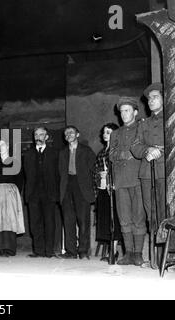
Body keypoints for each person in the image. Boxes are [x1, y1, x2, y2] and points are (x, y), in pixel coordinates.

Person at [131, 83, 165, 265]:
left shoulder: (171, 119)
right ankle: (156, 258)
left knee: (166, 214)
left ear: (164, 98)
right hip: (147, 174)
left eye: (155, 97)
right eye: (149, 98)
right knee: (152, 215)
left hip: (166, 173)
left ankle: (169, 256)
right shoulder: (143, 124)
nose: (151, 101)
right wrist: (147, 151)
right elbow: (135, 146)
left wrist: (160, 150)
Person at [109, 97, 146, 266]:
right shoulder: (115, 133)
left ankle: (138, 254)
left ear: (135, 112)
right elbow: (112, 155)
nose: (124, 114)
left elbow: (142, 151)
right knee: (124, 219)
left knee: (138, 217)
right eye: (122, 111)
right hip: (121, 181)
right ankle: (128, 253)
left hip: (138, 178)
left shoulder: (142, 128)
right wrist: (127, 154)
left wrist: (126, 154)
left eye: (127, 110)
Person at [59, 125, 96, 259]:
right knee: (68, 220)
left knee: (83, 221)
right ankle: (71, 251)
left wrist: (93, 188)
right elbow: (59, 173)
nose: (69, 135)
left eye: (71, 132)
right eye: (66, 133)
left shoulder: (86, 151)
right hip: (66, 187)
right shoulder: (62, 153)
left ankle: (83, 251)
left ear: (77, 134)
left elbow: (94, 170)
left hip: (82, 188)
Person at [23, 127, 59, 258]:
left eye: (41, 134)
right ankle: (38, 250)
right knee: (35, 223)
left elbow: (58, 174)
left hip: (49, 193)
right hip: (33, 194)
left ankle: (49, 251)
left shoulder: (55, 153)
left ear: (47, 137)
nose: (38, 137)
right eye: (36, 134)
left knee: (49, 222)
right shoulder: (28, 154)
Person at [92, 123, 122, 261]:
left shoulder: (119, 150)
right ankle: (111, 249)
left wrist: (110, 175)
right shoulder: (101, 152)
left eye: (108, 132)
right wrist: (100, 175)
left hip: (116, 190)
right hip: (103, 190)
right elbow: (95, 172)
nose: (105, 134)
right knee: (106, 220)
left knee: (115, 219)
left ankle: (114, 251)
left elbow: (122, 171)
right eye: (104, 132)